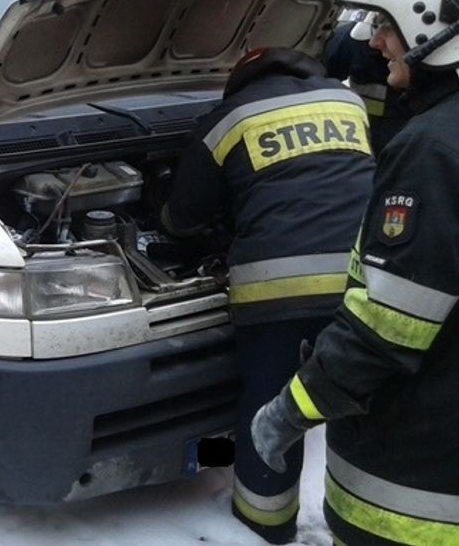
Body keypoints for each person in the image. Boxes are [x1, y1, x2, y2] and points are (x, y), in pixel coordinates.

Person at [251, 0, 459, 546]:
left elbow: (388, 329)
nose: (373, 40)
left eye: (384, 22)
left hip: (417, 488)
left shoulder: (435, 153)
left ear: (440, 20)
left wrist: (291, 410)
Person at [161, 46, 375, 544]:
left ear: (240, 81)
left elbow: (183, 218)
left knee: (271, 404)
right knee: (357, 396)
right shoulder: (346, 102)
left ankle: (264, 525)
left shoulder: (229, 118)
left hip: (278, 289)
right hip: (359, 279)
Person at [324, 10, 411, 154]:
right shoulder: (352, 42)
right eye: (376, 25)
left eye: (388, 28)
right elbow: (309, 85)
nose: (373, 42)